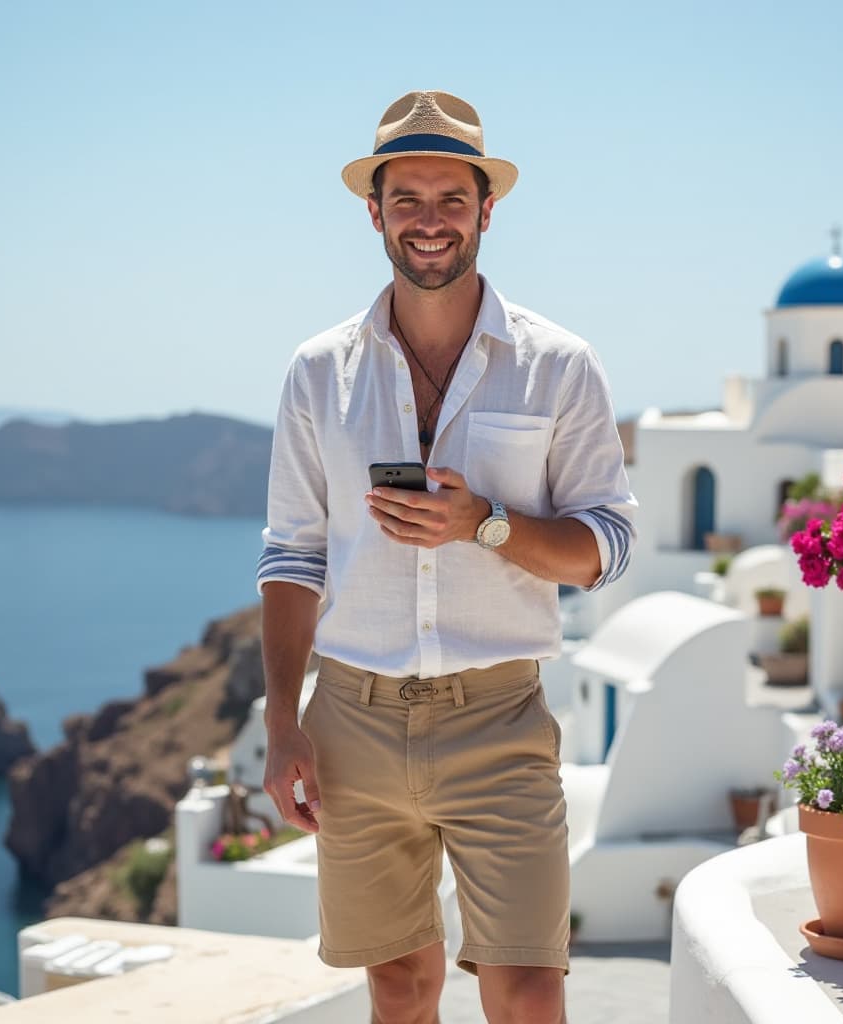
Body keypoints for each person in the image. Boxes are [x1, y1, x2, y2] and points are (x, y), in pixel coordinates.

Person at [258, 90, 636, 1024]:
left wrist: (485, 524)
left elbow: (609, 548)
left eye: (451, 199)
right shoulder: (318, 371)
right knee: (400, 985)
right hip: (353, 717)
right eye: (409, 199)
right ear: (374, 209)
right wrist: (282, 721)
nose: (430, 222)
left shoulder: (560, 365)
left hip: (499, 717)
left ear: (487, 209)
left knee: (527, 989)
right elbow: (294, 555)